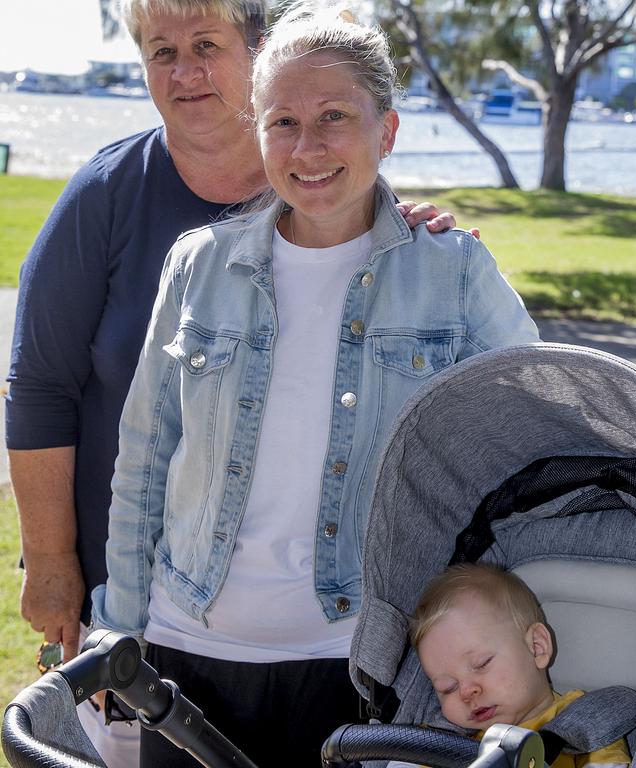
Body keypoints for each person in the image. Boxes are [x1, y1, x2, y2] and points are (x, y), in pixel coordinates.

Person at [89, 3, 542, 767]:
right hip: (185, 647)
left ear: (386, 131)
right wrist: (120, 629)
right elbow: (143, 461)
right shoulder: (197, 264)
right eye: (282, 122)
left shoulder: (452, 269)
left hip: (357, 656)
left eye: (334, 116)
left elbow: (550, 405)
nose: (308, 147)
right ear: (257, 131)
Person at [4, 1, 455, 766]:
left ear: (258, 55)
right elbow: (42, 386)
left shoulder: (337, 189)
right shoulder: (109, 198)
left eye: (206, 44)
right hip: (142, 584)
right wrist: (55, 564)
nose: (183, 71)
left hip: (330, 625)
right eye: (160, 50)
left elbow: (510, 392)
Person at [398, 563, 631, 768]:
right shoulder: (440, 742)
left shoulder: (584, 725)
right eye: (447, 687)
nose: (467, 692)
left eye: (482, 663)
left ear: (536, 647)